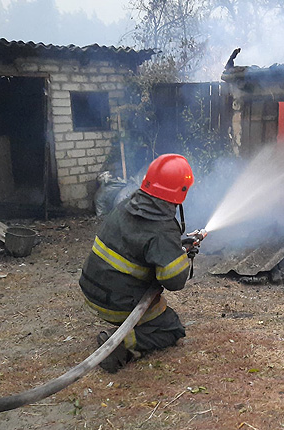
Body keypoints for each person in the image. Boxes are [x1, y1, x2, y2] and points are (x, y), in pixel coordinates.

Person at [79, 154, 196, 373]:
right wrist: (182, 257)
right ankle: (120, 346)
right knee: (172, 328)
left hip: (90, 288)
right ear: (180, 191)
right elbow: (173, 281)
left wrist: (175, 248)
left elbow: (141, 244)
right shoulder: (162, 227)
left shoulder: (127, 204)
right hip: (113, 303)